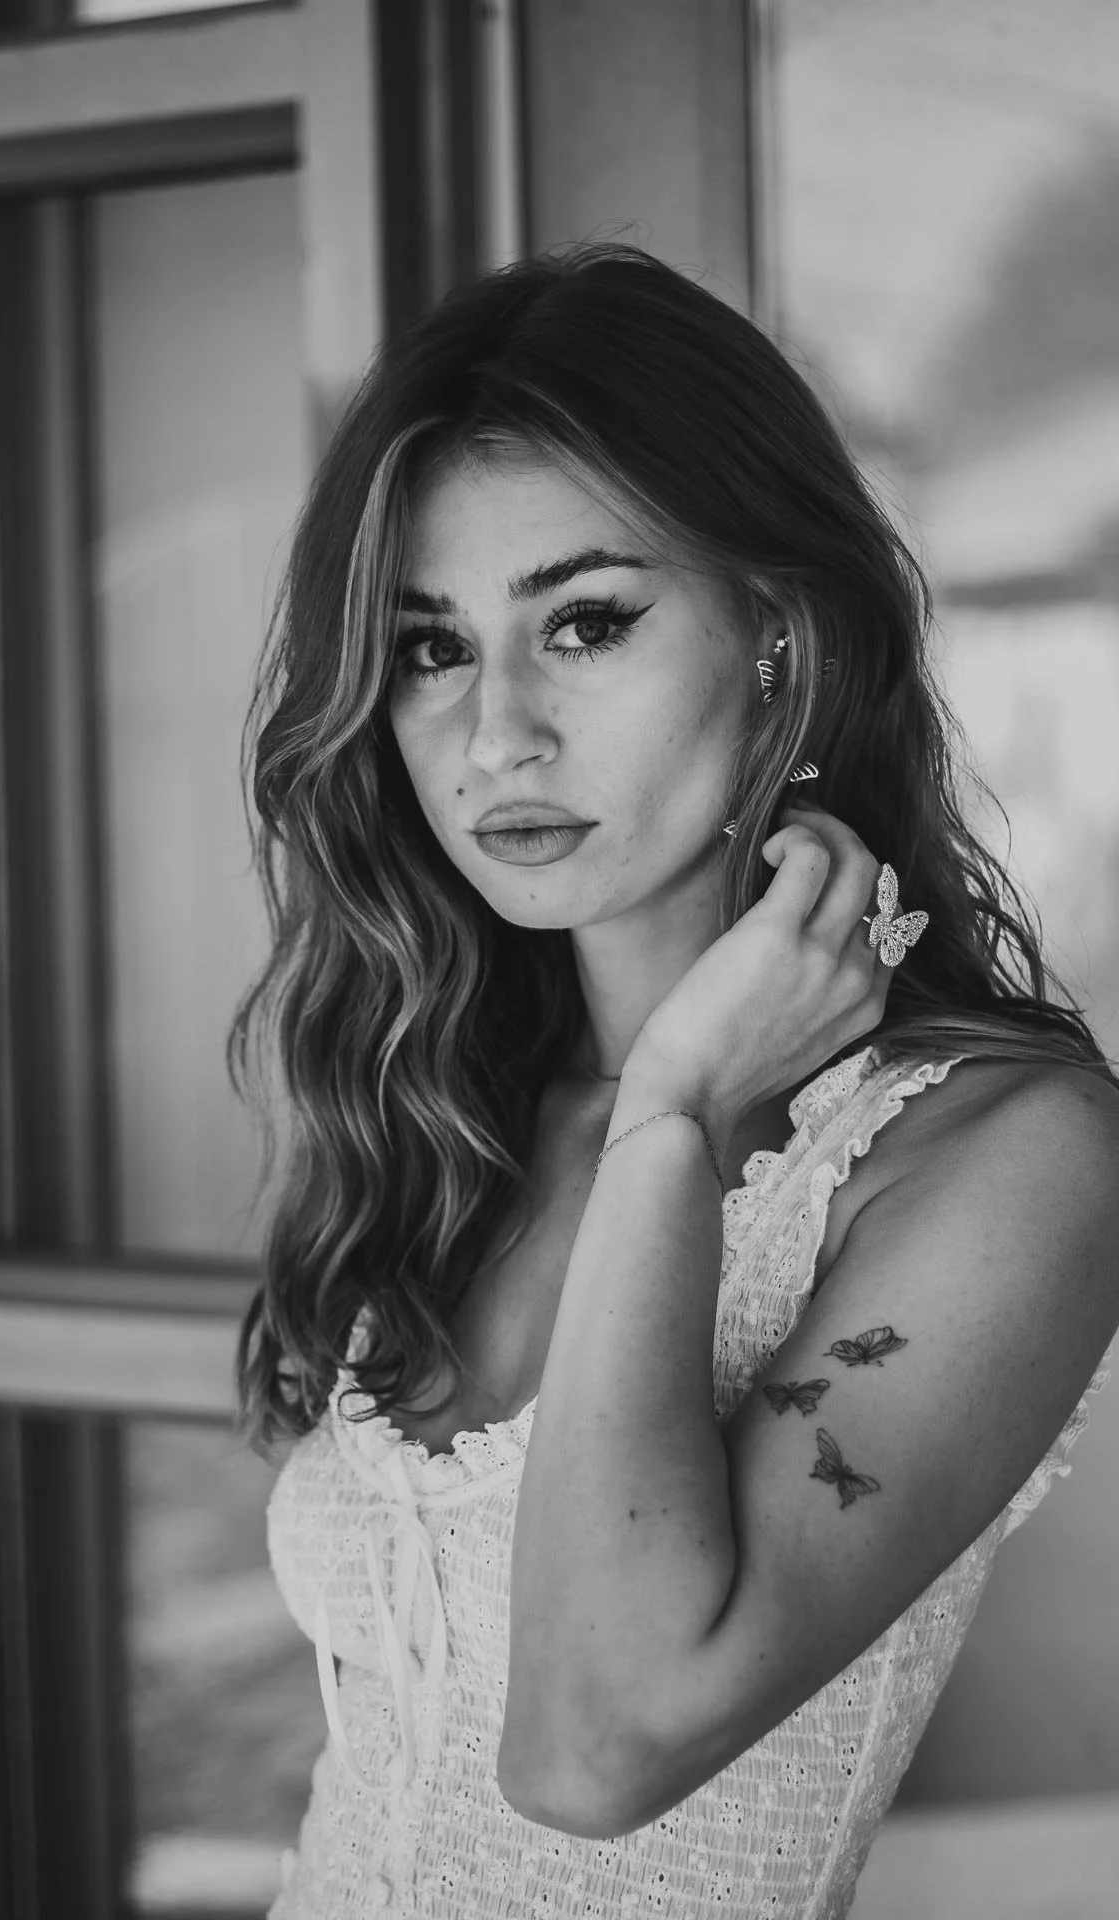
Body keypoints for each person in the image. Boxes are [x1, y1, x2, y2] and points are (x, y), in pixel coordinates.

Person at [230, 242, 1119, 1919]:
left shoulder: (1014, 1160)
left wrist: (680, 1114)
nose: (496, 732)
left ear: (774, 633)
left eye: (585, 621)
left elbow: (597, 1749)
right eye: (430, 648)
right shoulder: (452, 1097)